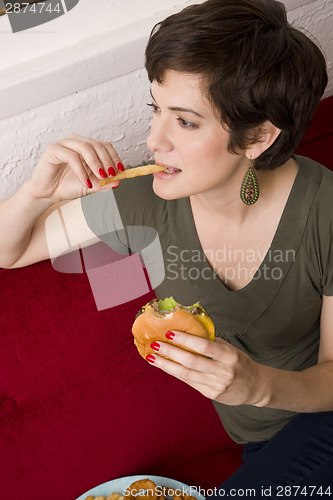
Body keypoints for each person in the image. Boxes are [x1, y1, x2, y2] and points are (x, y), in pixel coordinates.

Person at [1, 0, 332, 495]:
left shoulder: (324, 211)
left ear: (258, 136)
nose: (154, 139)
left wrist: (256, 385)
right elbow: (11, 250)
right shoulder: (144, 201)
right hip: (267, 448)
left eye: (186, 122)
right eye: (156, 109)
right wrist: (36, 192)